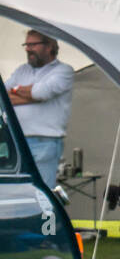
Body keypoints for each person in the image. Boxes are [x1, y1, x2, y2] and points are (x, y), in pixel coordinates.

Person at [4, 29, 74, 188]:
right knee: (16, 191)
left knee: (40, 193)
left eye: (32, 44)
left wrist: (16, 91)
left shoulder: (64, 71)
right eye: (26, 45)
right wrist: (28, 94)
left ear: (49, 46)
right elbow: (3, 96)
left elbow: (41, 93)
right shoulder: (22, 70)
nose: (27, 49)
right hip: (16, 141)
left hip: (44, 143)